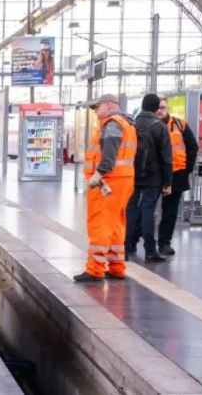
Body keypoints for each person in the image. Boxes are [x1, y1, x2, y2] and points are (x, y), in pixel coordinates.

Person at [75, 94, 138, 282]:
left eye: (97, 107)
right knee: (116, 224)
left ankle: (94, 269)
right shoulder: (126, 124)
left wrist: (99, 173)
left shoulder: (112, 124)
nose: (95, 111)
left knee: (100, 224)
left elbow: (110, 152)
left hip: (109, 181)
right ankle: (117, 267)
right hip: (122, 180)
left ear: (109, 105)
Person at [125, 94, 173, 262]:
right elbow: (167, 157)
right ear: (155, 108)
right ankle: (150, 251)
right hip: (153, 177)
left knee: (130, 210)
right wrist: (168, 182)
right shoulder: (159, 127)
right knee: (148, 212)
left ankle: (125, 247)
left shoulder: (132, 124)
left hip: (132, 175)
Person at [156, 98, 199, 255]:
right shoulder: (150, 125)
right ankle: (134, 241)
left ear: (168, 108)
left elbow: (192, 146)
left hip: (176, 174)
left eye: (163, 107)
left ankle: (164, 243)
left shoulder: (180, 124)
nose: (160, 111)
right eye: (157, 108)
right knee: (145, 209)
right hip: (155, 174)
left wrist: (187, 168)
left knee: (170, 211)